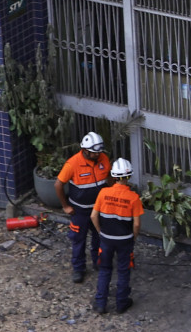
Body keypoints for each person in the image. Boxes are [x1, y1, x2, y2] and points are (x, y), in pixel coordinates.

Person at [91, 157, 143, 316]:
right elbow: (136, 224)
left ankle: (101, 303)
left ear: (113, 176)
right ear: (129, 176)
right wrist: (133, 238)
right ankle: (121, 303)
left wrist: (101, 232)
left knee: (105, 269)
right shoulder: (134, 198)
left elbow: (93, 216)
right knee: (123, 270)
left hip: (106, 238)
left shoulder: (103, 193)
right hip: (125, 240)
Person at [56, 132, 108, 283]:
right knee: (78, 240)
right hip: (80, 211)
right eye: (94, 153)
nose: (97, 155)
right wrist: (65, 206)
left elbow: (109, 179)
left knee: (99, 237)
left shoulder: (103, 159)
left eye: (99, 152)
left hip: (98, 210)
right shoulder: (72, 164)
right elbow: (58, 184)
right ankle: (79, 269)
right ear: (85, 150)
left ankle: (99, 262)